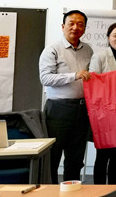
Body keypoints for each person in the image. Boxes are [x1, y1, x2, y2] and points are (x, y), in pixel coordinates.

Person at [39, 10, 93, 184]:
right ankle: (51, 196)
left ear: (84, 28)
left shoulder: (88, 50)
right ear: (63, 26)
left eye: (80, 24)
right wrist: (73, 75)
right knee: (53, 157)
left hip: (82, 110)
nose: (75, 27)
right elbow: (45, 78)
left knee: (76, 159)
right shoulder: (52, 50)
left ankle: (72, 194)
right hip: (58, 110)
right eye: (71, 23)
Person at [89, 22, 116, 190]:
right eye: (115, 35)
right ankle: (99, 194)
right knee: (103, 156)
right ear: (108, 37)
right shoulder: (100, 56)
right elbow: (93, 84)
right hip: (104, 115)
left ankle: (113, 195)